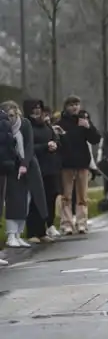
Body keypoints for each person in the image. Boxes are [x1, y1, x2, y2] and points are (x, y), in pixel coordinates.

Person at [0, 100, 48, 248]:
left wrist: (25, 163)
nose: (11, 118)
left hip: (28, 164)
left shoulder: (25, 124)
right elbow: (8, 147)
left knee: (27, 200)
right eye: (8, 115)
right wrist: (18, 163)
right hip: (13, 166)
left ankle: (19, 233)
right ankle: (11, 234)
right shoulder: (4, 127)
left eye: (13, 115)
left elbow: (29, 145)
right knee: (15, 200)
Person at [56, 95, 102, 235]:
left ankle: (82, 222)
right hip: (66, 164)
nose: (74, 107)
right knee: (66, 196)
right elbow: (59, 143)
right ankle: (67, 223)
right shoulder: (61, 123)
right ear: (66, 107)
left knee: (82, 195)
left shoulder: (84, 120)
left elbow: (95, 139)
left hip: (82, 162)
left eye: (76, 104)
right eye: (71, 105)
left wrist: (88, 127)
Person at [23, 99, 62, 242]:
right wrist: (45, 146)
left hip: (51, 167)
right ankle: (33, 232)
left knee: (50, 199)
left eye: (39, 107)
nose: (37, 110)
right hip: (36, 167)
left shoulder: (46, 125)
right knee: (35, 201)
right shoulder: (26, 126)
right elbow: (28, 148)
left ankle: (44, 230)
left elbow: (56, 139)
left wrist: (55, 145)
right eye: (34, 108)